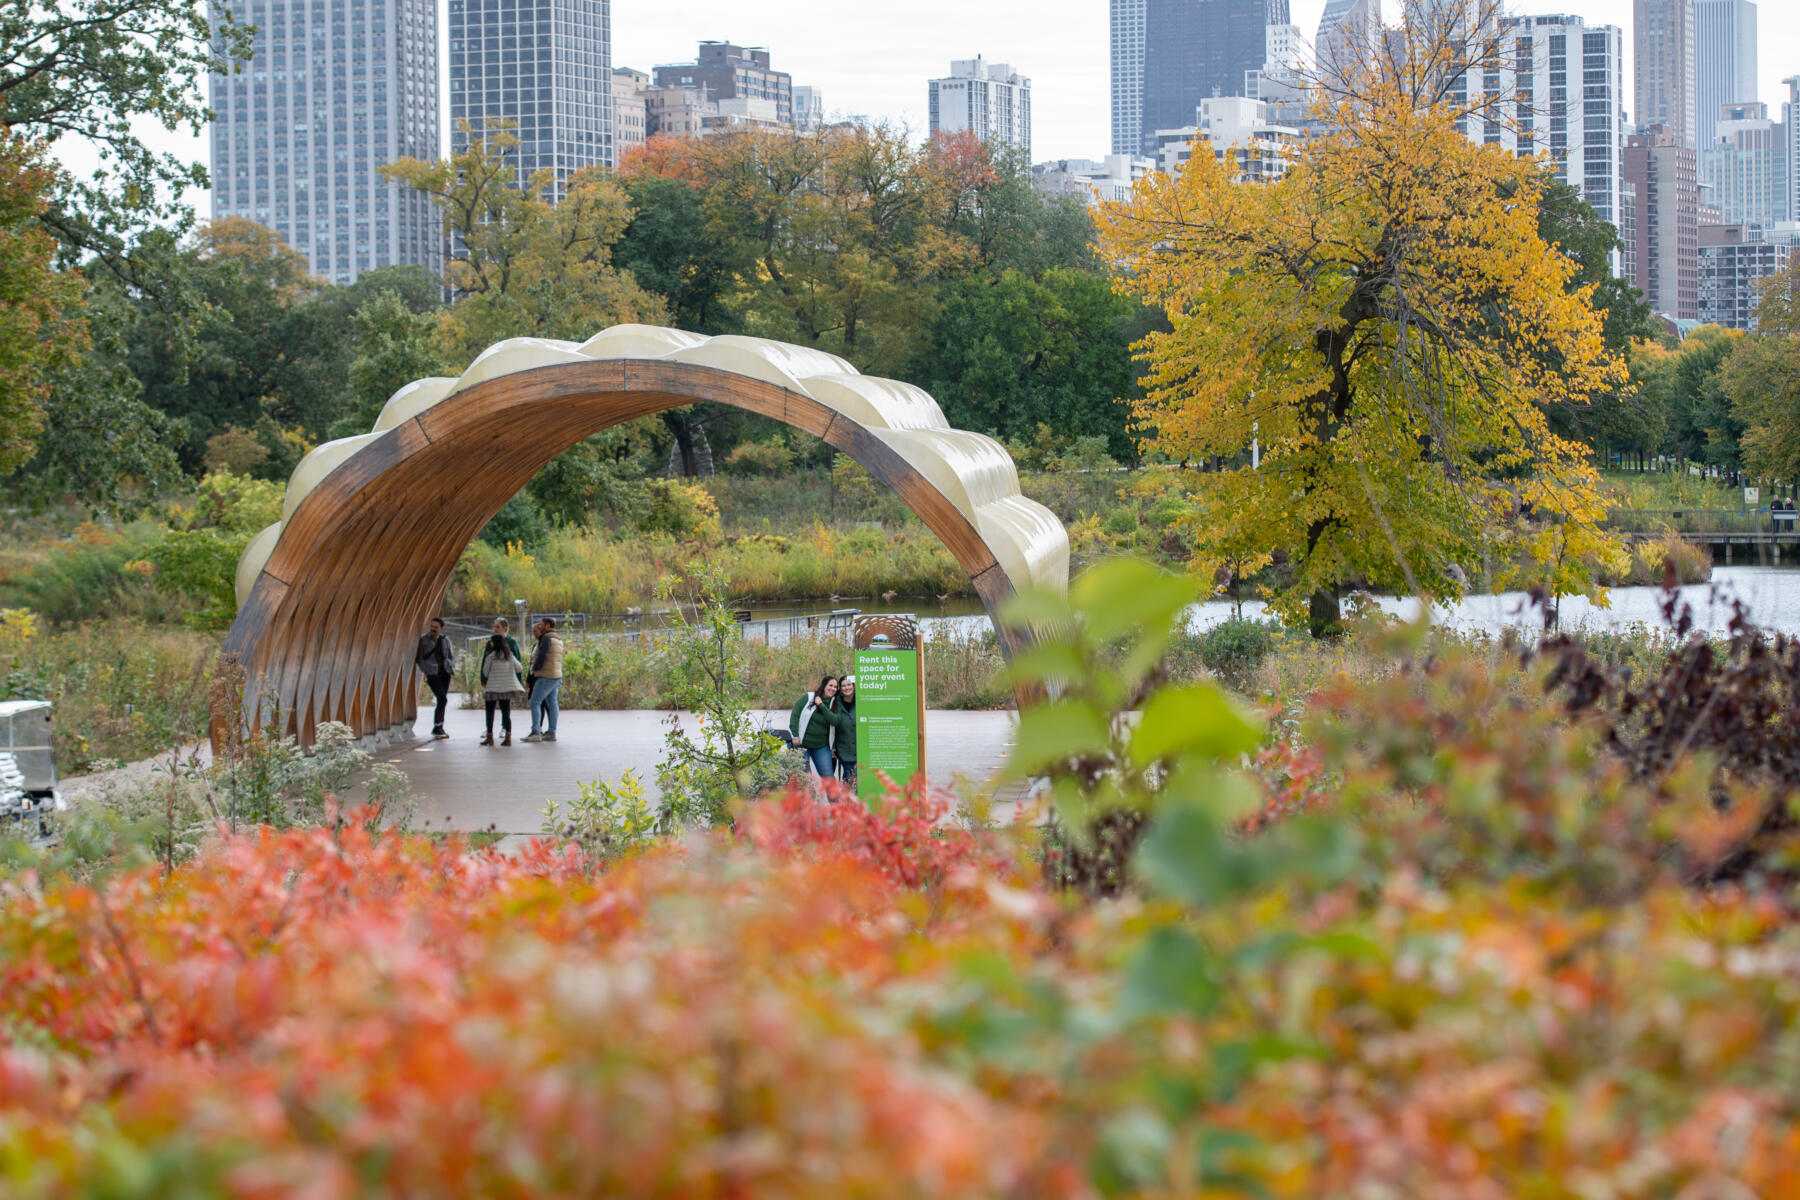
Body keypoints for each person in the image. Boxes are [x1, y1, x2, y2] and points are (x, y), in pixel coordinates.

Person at [478, 617, 526, 746]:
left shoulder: (511, 643)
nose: (495, 629)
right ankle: (507, 736)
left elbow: (485, 669)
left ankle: (493, 734)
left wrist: (518, 681)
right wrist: (483, 680)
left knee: (491, 711)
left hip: (493, 687)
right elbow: (519, 666)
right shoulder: (507, 654)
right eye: (494, 627)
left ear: (505, 628)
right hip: (505, 687)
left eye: (497, 627)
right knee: (505, 710)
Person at [787, 675, 841, 778]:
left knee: (829, 778)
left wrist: (821, 705)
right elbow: (795, 715)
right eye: (830, 685)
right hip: (802, 745)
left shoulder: (835, 703)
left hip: (821, 747)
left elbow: (835, 721)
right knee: (805, 778)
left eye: (835, 687)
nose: (833, 688)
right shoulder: (809, 697)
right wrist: (795, 735)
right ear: (824, 685)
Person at [522, 617, 564, 743]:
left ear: (547, 625)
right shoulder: (558, 638)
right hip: (556, 675)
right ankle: (551, 732)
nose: (540, 626)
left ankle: (536, 732)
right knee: (552, 703)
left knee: (535, 702)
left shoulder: (546, 638)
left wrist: (535, 668)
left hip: (546, 676)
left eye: (541, 624)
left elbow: (543, 655)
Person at [414, 617, 455, 739]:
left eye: (435, 627)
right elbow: (419, 659)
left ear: (441, 628)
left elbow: (450, 656)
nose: (432, 629)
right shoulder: (424, 640)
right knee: (442, 699)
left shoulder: (445, 639)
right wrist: (428, 671)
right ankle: (437, 726)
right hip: (433, 673)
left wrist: (451, 666)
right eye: (431, 626)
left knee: (442, 700)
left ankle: (439, 726)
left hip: (445, 673)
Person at [833, 674, 857, 787]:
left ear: (853, 686)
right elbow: (831, 727)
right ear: (840, 689)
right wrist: (832, 746)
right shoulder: (835, 703)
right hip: (844, 749)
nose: (847, 687)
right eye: (843, 685)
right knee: (849, 779)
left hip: (861, 748)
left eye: (849, 684)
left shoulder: (862, 700)